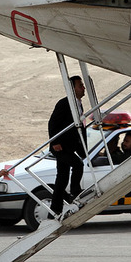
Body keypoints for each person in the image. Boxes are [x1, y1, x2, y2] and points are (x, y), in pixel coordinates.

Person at [47, 76, 87, 218]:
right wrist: (55, 142)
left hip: (70, 146)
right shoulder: (64, 103)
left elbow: (80, 128)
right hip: (60, 147)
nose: (83, 88)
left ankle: (55, 209)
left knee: (62, 178)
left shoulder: (79, 104)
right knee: (78, 165)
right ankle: (75, 192)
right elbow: (52, 123)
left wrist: (83, 150)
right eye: (80, 86)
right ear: (72, 89)